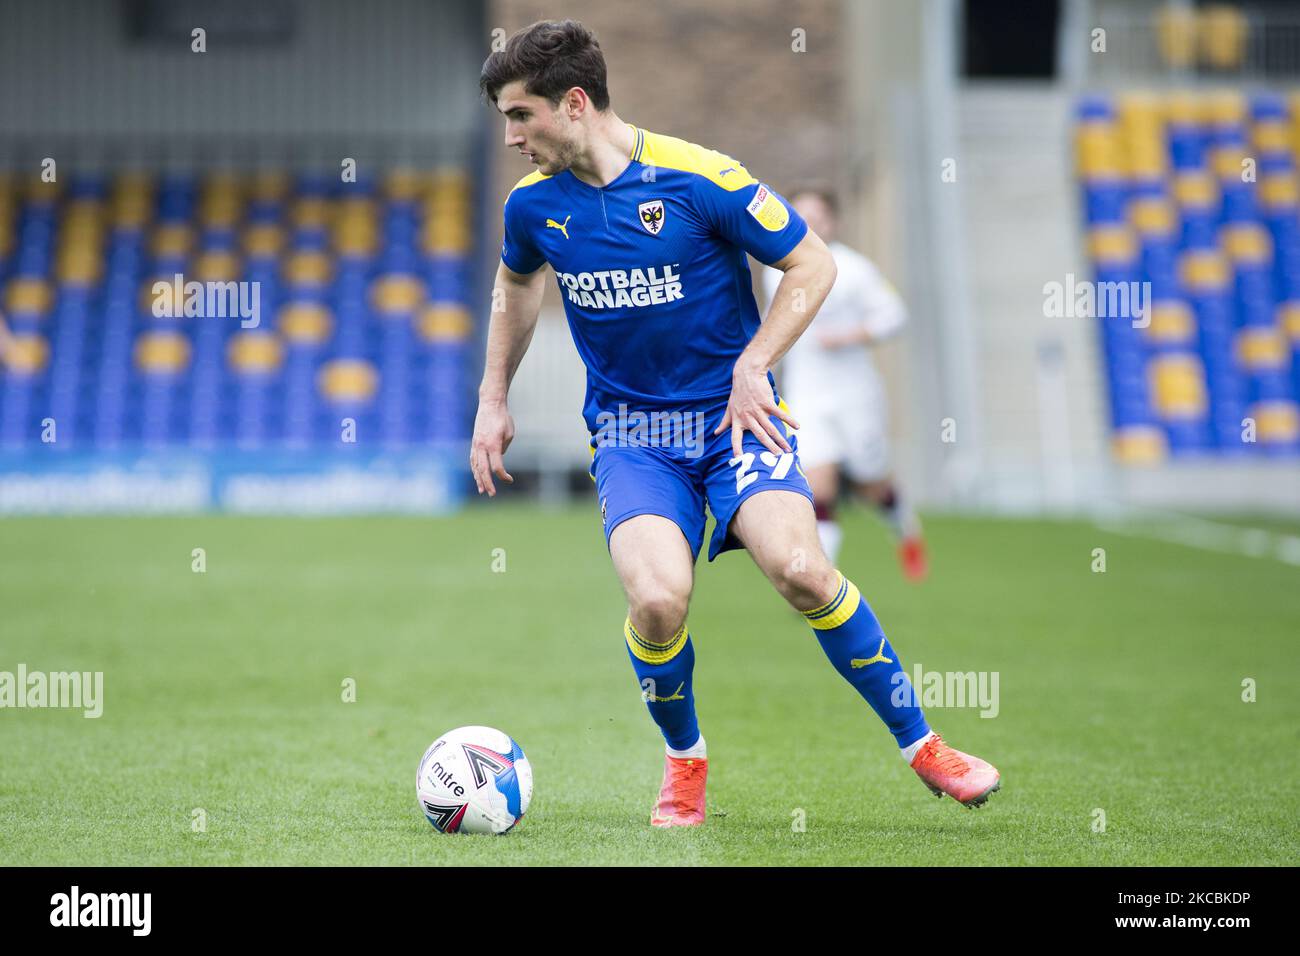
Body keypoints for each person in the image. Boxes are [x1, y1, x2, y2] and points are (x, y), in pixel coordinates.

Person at [471, 20, 999, 827]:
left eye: (519, 115)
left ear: (573, 103)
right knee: (657, 601)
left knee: (803, 571)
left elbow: (811, 262)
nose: (510, 137)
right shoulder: (534, 207)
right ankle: (685, 761)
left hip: (734, 423)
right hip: (632, 436)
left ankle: (924, 746)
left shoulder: (701, 177)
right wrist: (492, 400)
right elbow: (517, 289)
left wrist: (754, 363)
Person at [761, 190, 928, 579]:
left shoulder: (855, 269)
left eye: (818, 215)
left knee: (872, 482)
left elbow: (894, 316)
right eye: (801, 215)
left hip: (855, 394)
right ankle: (820, 577)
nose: (810, 223)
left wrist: (851, 335)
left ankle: (905, 527)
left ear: (833, 221)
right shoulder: (776, 271)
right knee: (818, 488)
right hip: (807, 395)